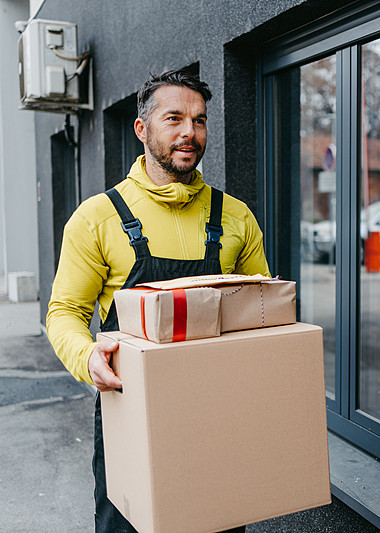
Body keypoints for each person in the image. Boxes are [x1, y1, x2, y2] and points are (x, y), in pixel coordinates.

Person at [46, 69, 268, 533]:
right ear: (142, 129)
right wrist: (87, 358)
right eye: (174, 118)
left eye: (200, 120)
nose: (190, 132)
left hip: (220, 415)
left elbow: (263, 310)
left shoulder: (235, 216)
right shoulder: (97, 217)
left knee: (219, 522)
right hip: (132, 413)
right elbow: (65, 312)